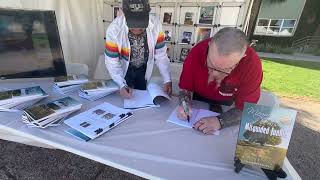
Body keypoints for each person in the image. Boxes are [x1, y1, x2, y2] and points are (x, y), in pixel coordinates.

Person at [177, 27, 263, 135]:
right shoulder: (196, 52)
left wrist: (220, 121)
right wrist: (184, 104)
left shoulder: (252, 65)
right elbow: (185, 89)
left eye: (225, 69)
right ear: (209, 46)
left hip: (227, 102)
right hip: (199, 98)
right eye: (211, 65)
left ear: (242, 57)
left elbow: (247, 108)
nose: (215, 74)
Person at [105, 0, 172, 99]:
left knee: (141, 99)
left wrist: (167, 79)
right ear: (124, 14)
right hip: (124, 70)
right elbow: (112, 61)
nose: (136, 31)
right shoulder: (114, 29)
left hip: (143, 70)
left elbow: (161, 54)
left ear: (148, 14)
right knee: (124, 99)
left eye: (141, 28)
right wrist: (121, 85)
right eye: (132, 28)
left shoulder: (155, 25)